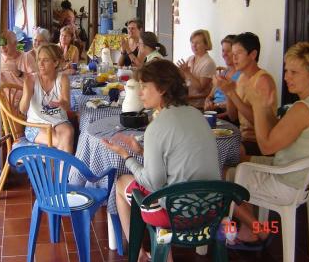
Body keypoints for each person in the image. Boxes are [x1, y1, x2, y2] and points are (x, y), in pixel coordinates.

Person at [102, 60, 220, 262]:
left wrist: (127, 156)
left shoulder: (157, 127)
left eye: (145, 87)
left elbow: (152, 183)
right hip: (212, 209)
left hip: (179, 215)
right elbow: (178, 157)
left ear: (163, 89)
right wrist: (142, 150)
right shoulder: (197, 115)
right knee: (169, 188)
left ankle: (138, 254)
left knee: (122, 182)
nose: (140, 93)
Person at [228, 42, 309, 247]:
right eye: (286, 71)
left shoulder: (302, 109)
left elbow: (266, 146)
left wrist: (257, 106)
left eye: (294, 72)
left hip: (285, 182)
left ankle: (259, 229)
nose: (286, 77)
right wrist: (265, 107)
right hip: (295, 175)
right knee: (239, 159)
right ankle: (251, 227)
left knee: (222, 177)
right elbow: (280, 129)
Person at [215, 32, 277, 156]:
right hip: (242, 137)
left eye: (238, 54)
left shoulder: (263, 80)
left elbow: (259, 121)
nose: (234, 58)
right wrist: (228, 92)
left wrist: (232, 93)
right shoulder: (241, 78)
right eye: (233, 54)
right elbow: (233, 117)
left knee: (219, 153)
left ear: (253, 54)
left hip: (259, 143)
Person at [18, 44, 74, 153]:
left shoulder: (63, 79)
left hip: (59, 121)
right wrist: (27, 91)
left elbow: (67, 106)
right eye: (39, 60)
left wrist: (62, 103)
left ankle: (58, 169)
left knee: (68, 132)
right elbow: (23, 110)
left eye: (45, 60)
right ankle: (61, 170)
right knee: (64, 142)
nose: (41, 64)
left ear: (55, 63)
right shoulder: (31, 80)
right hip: (36, 124)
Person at [177, 29, 216, 110]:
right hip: (187, 102)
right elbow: (184, 79)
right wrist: (179, 73)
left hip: (199, 105)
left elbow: (200, 88)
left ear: (206, 45)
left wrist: (187, 72)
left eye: (197, 43)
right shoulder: (190, 58)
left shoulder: (209, 63)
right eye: (192, 42)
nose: (194, 45)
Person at [204, 34, 240, 118]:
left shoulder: (241, 76)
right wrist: (207, 101)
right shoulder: (223, 73)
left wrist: (217, 116)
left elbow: (238, 107)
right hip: (214, 111)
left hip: (228, 115)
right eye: (223, 51)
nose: (224, 54)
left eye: (228, 51)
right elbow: (210, 96)